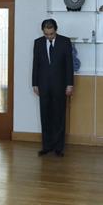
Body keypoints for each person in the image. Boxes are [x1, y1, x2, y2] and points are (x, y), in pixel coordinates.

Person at [31, 18, 74, 157]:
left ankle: (58, 148)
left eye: (51, 34)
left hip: (60, 86)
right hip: (43, 86)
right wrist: (35, 84)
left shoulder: (65, 42)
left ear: (56, 30)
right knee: (45, 116)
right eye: (46, 34)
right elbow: (35, 64)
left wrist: (70, 84)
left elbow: (69, 65)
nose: (49, 37)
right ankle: (46, 146)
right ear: (43, 32)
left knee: (59, 116)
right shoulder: (38, 43)